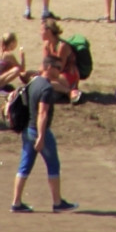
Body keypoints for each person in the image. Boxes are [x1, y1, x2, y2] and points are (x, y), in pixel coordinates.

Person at [10, 52, 78, 213]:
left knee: (24, 166)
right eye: (57, 68)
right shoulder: (46, 88)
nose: (59, 71)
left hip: (28, 130)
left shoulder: (34, 82)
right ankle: (57, 202)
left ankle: (16, 202)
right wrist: (41, 136)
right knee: (53, 165)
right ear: (48, 67)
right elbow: (42, 113)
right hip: (39, 131)